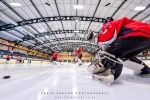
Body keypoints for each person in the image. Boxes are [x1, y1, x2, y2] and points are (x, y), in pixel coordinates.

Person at [87, 17, 150, 85]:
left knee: (108, 51)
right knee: (123, 57)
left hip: (133, 35)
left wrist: (96, 38)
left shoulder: (110, 23)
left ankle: (108, 73)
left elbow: (109, 36)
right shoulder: (126, 25)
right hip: (147, 40)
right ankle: (144, 69)